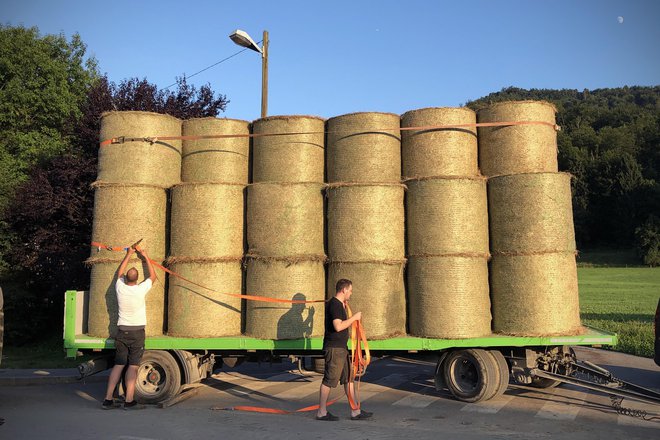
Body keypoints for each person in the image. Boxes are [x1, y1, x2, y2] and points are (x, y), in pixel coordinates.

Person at [102, 244, 156, 410]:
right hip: (137, 333)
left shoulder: (120, 287)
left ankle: (108, 400)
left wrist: (129, 254)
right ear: (137, 279)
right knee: (132, 367)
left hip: (122, 332)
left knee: (118, 366)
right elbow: (153, 276)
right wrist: (145, 255)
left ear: (125, 279)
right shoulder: (141, 289)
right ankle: (129, 401)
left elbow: (119, 272)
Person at [316, 279, 373, 421]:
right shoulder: (335, 304)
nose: (351, 293)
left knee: (349, 379)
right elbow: (338, 326)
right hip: (334, 349)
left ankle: (355, 411)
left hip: (341, 348)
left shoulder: (340, 305)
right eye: (350, 290)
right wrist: (354, 318)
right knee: (329, 380)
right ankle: (321, 412)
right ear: (343, 290)